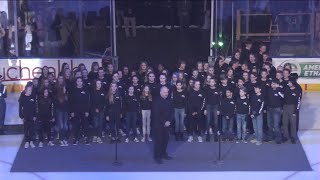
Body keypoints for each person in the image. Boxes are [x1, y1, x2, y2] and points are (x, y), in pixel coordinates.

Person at [152, 86, 174, 164]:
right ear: (160, 92)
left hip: (167, 125)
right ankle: (157, 156)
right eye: (164, 92)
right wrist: (164, 122)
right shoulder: (156, 101)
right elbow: (156, 114)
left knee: (166, 140)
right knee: (159, 141)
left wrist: (169, 121)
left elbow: (172, 111)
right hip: (158, 125)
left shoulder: (169, 100)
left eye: (167, 92)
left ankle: (163, 154)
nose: (166, 94)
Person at [70, 77, 91, 145]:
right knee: (76, 125)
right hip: (76, 111)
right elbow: (71, 102)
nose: (79, 82)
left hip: (84, 111)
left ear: (82, 82)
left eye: (80, 81)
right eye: (78, 81)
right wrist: (72, 111)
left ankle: (86, 139)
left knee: (85, 125)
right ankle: (75, 139)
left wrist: (87, 111)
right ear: (76, 82)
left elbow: (88, 101)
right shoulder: (73, 90)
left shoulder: (86, 90)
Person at [283, 78, 301, 144]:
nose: (288, 83)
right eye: (288, 82)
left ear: (293, 83)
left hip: (292, 107)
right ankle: (286, 136)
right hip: (285, 107)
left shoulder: (297, 90)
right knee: (285, 122)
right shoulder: (286, 89)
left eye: (290, 82)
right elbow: (283, 98)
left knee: (293, 124)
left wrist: (295, 111)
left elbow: (298, 101)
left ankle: (293, 137)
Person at [266, 80, 284, 144]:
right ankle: (270, 137)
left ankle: (278, 138)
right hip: (269, 109)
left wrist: (278, 89)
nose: (273, 85)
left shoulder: (280, 90)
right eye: (272, 84)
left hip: (277, 109)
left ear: (277, 84)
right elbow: (266, 99)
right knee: (269, 124)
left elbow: (283, 97)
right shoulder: (269, 90)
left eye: (274, 84)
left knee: (276, 125)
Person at [91, 79, 106, 144]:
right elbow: (91, 102)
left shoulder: (103, 91)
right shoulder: (93, 91)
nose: (99, 84)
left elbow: (104, 101)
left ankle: (99, 137)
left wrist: (100, 108)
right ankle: (95, 135)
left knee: (100, 124)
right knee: (95, 124)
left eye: (100, 83)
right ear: (95, 84)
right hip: (94, 110)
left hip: (101, 110)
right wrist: (95, 108)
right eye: (98, 83)